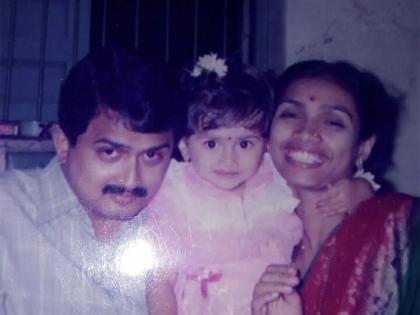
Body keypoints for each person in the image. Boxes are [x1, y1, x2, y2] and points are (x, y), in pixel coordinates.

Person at [144, 54, 373, 315]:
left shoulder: (272, 179)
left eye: (244, 144)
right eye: (211, 143)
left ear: (264, 144)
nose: (228, 160)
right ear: (185, 146)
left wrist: (361, 188)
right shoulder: (176, 192)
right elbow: (158, 280)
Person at [0, 47, 179, 314]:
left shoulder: (182, 221)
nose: (132, 179)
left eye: (152, 155)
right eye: (110, 152)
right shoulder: (8, 212)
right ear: (62, 142)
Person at [251, 60, 417, 315]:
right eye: (290, 114)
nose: (307, 132)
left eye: (333, 122)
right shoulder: (246, 243)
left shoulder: (402, 230)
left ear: (363, 147)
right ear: (267, 137)